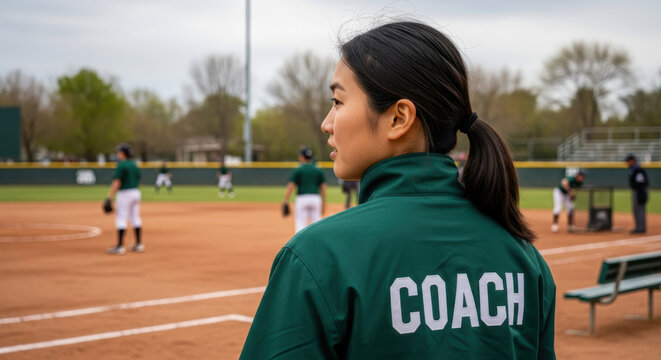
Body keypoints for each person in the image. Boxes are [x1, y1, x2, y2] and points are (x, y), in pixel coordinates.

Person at [240, 21, 555, 359]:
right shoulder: (524, 257)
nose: (326, 123)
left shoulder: (319, 256)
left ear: (398, 118)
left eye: (338, 101)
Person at [105, 144, 144, 255]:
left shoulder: (121, 165)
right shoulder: (134, 165)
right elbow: (138, 180)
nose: (117, 154)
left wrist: (109, 197)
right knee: (135, 217)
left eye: (118, 152)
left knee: (121, 218)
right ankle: (139, 244)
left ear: (123, 153)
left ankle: (120, 246)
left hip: (125, 193)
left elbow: (117, 181)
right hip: (136, 192)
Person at [282, 147, 327, 233]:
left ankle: (301, 246)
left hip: (302, 199)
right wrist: (324, 202)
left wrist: (285, 200)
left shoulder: (299, 169)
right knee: (316, 225)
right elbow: (323, 187)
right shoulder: (317, 169)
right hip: (315, 198)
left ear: (302, 157)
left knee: (300, 225)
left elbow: (291, 186)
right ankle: (317, 245)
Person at [626, 154, 649, 234]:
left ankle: (641, 227)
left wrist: (641, 194)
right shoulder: (634, 169)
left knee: (639, 210)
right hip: (637, 191)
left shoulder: (638, 170)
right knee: (636, 210)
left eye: (628, 161)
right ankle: (639, 227)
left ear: (632, 160)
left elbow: (641, 182)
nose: (627, 163)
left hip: (639, 192)